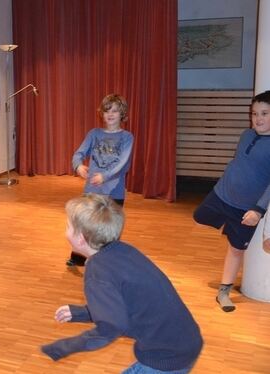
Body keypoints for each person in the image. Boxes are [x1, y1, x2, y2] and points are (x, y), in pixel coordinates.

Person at [42, 194, 203, 373]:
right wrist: (82, 313)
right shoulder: (123, 250)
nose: (64, 230)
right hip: (186, 340)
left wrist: (63, 347)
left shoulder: (98, 272)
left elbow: (111, 327)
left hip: (165, 356)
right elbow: (124, 302)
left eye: (67, 226)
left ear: (80, 238)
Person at [193, 90, 270, 312]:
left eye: (264, 113)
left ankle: (224, 291)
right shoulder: (246, 134)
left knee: (236, 249)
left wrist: (258, 210)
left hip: (246, 209)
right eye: (254, 113)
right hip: (221, 194)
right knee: (199, 217)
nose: (258, 118)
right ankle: (226, 225)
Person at [67, 94, 134, 267]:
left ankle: (109, 261)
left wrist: (104, 176)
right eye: (107, 111)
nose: (110, 114)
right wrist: (78, 166)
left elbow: (123, 163)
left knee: (111, 228)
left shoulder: (127, 137)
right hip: (92, 190)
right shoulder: (94, 134)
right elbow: (79, 153)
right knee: (85, 222)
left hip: (114, 191)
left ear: (122, 114)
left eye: (115, 111)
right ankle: (79, 256)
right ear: (101, 114)